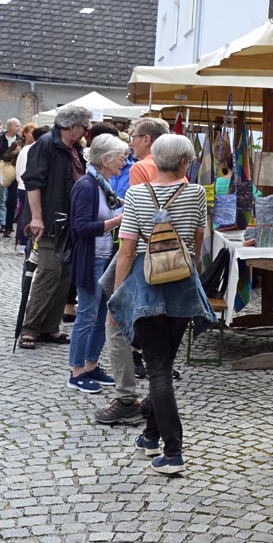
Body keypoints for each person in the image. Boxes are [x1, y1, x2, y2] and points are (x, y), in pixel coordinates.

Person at [108, 134, 215, 474]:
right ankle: (151, 436)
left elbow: (126, 252)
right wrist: (188, 272)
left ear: (155, 159)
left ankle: (173, 452)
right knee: (163, 366)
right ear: (185, 162)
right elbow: (199, 244)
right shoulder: (195, 193)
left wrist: (116, 300)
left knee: (157, 370)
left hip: (147, 288)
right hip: (182, 287)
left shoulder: (137, 194)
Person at [94, 117, 169, 425]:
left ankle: (127, 398)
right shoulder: (176, 171)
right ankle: (155, 393)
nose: (130, 142)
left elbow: (133, 231)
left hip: (139, 257)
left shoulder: (141, 168)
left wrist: (121, 293)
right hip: (166, 261)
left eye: (135, 137)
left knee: (115, 320)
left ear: (148, 140)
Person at [18, 106, 90, 350]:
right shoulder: (47, 144)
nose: (86, 131)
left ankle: (50, 327)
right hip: (48, 221)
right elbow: (33, 182)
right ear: (71, 126)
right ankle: (29, 328)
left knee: (63, 277)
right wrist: (36, 217)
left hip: (70, 223)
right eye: (84, 126)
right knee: (48, 274)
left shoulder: (75, 149)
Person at [66, 134, 129, 393]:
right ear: (105, 160)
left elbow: (110, 209)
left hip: (104, 259)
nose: (124, 162)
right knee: (87, 314)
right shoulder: (87, 186)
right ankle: (77, 370)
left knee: (102, 314)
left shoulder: (104, 185)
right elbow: (80, 227)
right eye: (121, 157)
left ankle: (91, 365)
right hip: (91, 260)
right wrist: (118, 221)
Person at [14, 124, 40, 248]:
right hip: (28, 187)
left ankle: (23, 242)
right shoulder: (34, 149)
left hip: (22, 186)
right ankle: (24, 242)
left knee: (22, 215)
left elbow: (18, 169)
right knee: (27, 216)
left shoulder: (25, 149)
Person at [0, 117, 21, 235]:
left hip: (15, 173)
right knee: (1, 199)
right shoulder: (0, 139)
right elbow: (1, 155)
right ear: (10, 126)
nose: (18, 128)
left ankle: (8, 227)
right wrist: (13, 153)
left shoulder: (20, 140)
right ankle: (3, 223)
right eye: (16, 126)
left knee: (11, 200)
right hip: (2, 171)